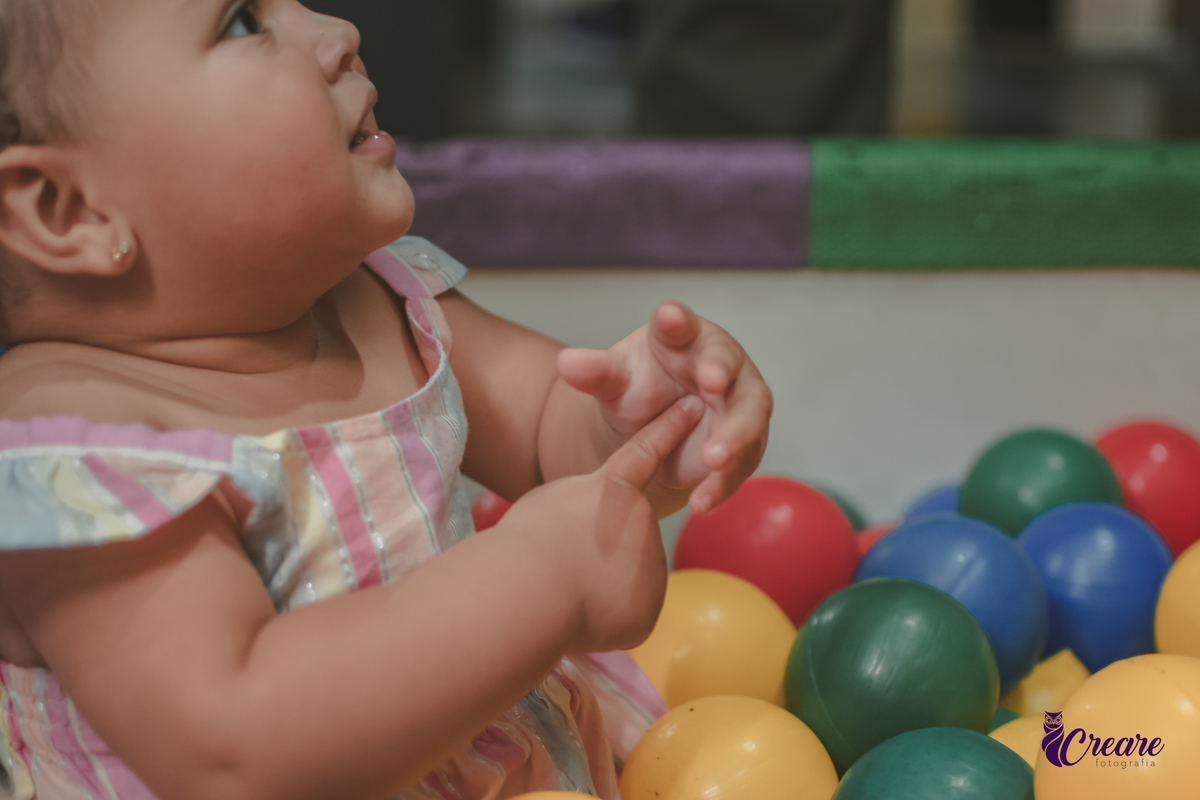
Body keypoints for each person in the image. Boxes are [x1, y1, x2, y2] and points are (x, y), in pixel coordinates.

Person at [0, 1, 771, 799]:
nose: (339, 34)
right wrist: (543, 576)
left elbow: (549, 429)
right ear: (71, 212)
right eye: (242, 23)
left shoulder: (375, 293)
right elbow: (233, 746)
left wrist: (647, 416)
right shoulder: (77, 457)